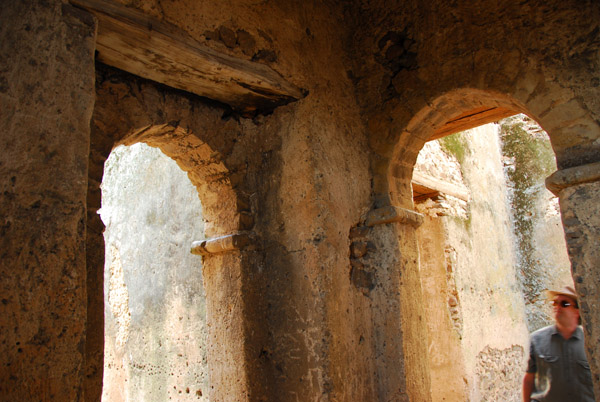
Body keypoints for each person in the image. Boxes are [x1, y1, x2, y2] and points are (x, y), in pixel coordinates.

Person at [522, 285, 595, 402]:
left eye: (564, 304)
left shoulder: (591, 343)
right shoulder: (537, 340)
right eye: (555, 303)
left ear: (577, 311)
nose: (557, 307)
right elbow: (529, 378)